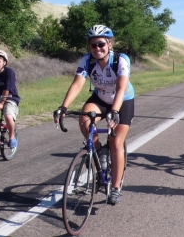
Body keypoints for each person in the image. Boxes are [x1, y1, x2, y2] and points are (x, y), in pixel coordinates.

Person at [54, 25, 135, 205]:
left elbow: (121, 88)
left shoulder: (121, 60)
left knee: (115, 143)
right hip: (100, 98)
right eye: (93, 45)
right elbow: (77, 84)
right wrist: (63, 107)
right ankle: (99, 153)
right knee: (84, 119)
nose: (97, 49)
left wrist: (114, 111)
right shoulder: (87, 60)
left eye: (101, 44)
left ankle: (115, 188)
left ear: (110, 44)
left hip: (122, 102)